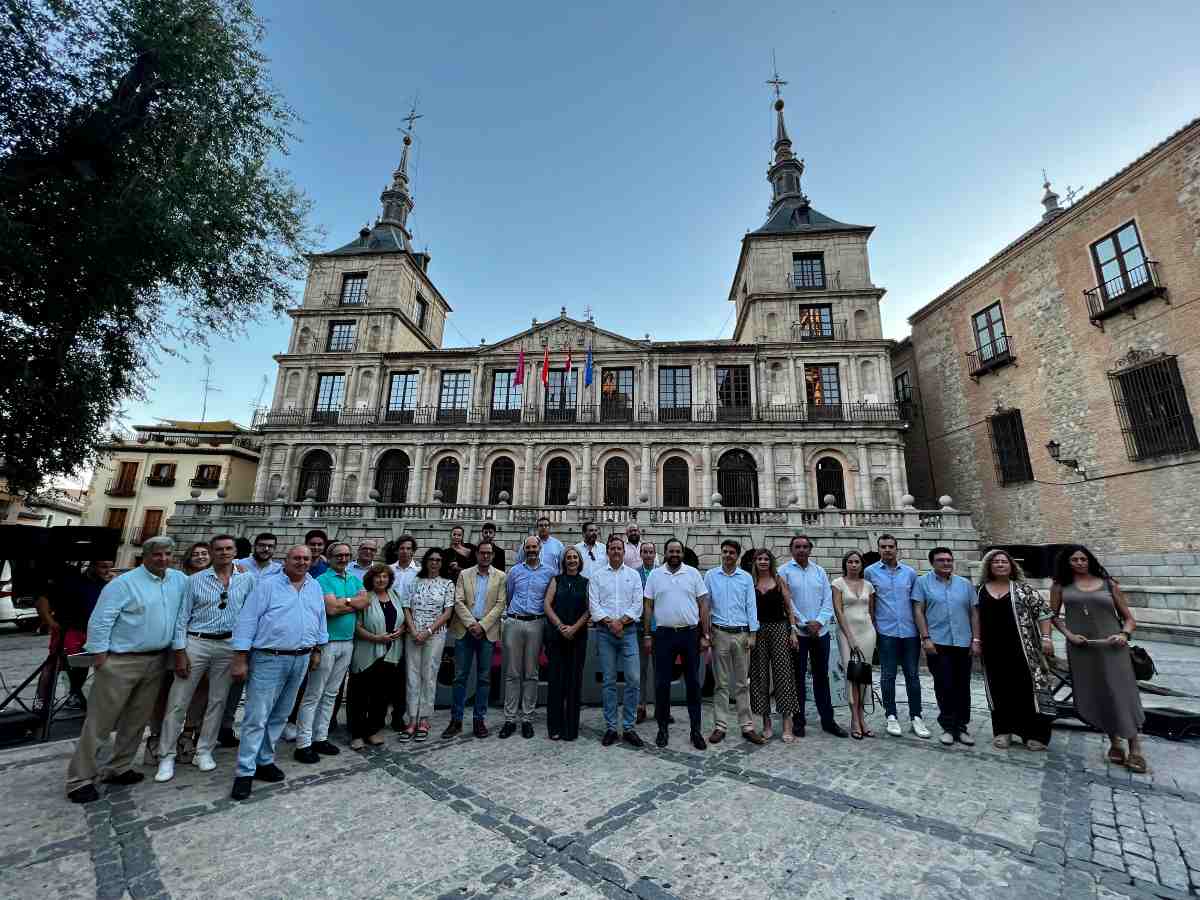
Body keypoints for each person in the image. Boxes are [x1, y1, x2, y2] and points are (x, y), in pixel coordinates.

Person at [65, 536, 188, 804]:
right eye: (157, 554)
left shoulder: (178, 580)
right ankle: (79, 779)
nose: (163, 559)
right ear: (145, 556)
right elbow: (101, 620)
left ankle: (119, 767)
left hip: (156, 660)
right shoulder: (123, 583)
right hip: (121, 660)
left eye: (167, 554)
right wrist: (100, 657)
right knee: (100, 721)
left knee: (136, 720)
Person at [229, 545, 327, 801]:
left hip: (302, 657)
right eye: (297, 558)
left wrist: (317, 648)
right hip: (268, 658)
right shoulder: (267, 585)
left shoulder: (314, 586)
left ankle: (264, 760)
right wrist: (240, 657)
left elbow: (320, 618)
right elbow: (248, 620)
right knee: (256, 716)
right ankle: (244, 772)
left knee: (281, 714)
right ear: (286, 560)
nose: (302, 562)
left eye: (306, 559)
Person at [155, 534, 254, 782]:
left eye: (228, 548)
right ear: (211, 552)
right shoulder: (195, 580)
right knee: (178, 701)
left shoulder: (247, 579)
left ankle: (204, 750)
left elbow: (250, 615)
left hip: (229, 645)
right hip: (196, 642)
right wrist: (180, 652)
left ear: (235, 552)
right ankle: (166, 755)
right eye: (219, 549)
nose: (224, 553)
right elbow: (182, 618)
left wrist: (244, 651)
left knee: (217, 701)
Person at [1050, 546, 1147, 772]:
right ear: (1068, 562)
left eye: (1084, 558)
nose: (1080, 562)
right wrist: (1069, 635)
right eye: (1075, 559)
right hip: (1081, 648)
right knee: (1099, 692)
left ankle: (1135, 746)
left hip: (1114, 647)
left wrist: (1124, 634)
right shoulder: (1059, 586)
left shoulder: (1108, 583)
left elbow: (1130, 619)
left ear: (1090, 560)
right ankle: (1114, 742)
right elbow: (1052, 615)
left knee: (1122, 692)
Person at [295, 541, 369, 763]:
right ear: (330, 557)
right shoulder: (321, 580)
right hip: (326, 642)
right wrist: (351, 603)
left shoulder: (355, 578)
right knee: (314, 694)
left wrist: (343, 602)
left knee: (331, 694)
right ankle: (303, 743)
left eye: (347, 555)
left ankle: (321, 737)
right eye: (339, 555)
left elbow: (365, 601)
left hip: (347, 643)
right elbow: (330, 609)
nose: (344, 559)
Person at [976, 549, 1055, 752]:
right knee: (998, 689)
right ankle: (1003, 730)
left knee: (1026, 689)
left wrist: (1046, 638)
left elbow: (1044, 613)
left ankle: (1034, 733)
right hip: (993, 649)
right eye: (996, 562)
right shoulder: (980, 590)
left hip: (1024, 648)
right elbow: (975, 617)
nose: (1000, 565)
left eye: (1004, 562)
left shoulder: (1023, 590)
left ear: (1011, 566)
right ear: (989, 567)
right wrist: (976, 640)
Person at [643, 538, 709, 750]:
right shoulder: (655, 575)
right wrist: (647, 634)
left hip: (690, 634)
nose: (674, 554)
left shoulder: (693, 574)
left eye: (678, 551)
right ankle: (662, 729)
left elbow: (703, 605)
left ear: (682, 554)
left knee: (693, 684)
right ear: (665, 553)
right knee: (661, 684)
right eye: (671, 551)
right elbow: (648, 606)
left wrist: (705, 634)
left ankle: (695, 730)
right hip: (663, 635)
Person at [778, 536, 847, 738]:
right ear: (791, 549)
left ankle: (828, 720)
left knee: (821, 677)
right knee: (797, 678)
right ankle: (799, 721)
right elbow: (786, 601)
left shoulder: (819, 571)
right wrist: (803, 623)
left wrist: (819, 621)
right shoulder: (784, 571)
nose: (801, 550)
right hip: (798, 633)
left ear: (810, 549)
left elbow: (827, 599)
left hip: (821, 631)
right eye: (797, 547)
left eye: (805, 547)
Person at [865, 535, 930, 739]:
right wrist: (874, 627)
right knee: (888, 676)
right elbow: (870, 603)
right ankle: (891, 715)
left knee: (912, 676)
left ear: (897, 549)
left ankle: (916, 716)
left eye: (890, 547)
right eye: (883, 547)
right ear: (879, 549)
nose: (887, 550)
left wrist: (923, 632)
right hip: (886, 632)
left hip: (910, 632)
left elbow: (916, 604)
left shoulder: (910, 573)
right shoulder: (870, 572)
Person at [912, 547, 978, 746]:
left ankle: (962, 727)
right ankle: (948, 726)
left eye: (949, 560)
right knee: (943, 685)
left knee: (962, 686)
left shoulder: (965, 584)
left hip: (962, 642)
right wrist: (926, 638)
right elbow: (918, 611)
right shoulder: (922, 582)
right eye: (941, 560)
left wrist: (976, 640)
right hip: (938, 642)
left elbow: (974, 613)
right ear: (932, 562)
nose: (946, 563)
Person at [444, 541, 507, 739]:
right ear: (477, 554)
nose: (485, 556)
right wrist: (472, 624)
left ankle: (479, 720)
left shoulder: (501, 577)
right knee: (460, 677)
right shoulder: (464, 574)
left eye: (489, 553)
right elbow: (458, 600)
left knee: (484, 678)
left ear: (492, 556)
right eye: (482, 553)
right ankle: (456, 720)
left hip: (486, 632)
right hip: (465, 630)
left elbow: (500, 604)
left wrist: (483, 625)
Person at [705, 539, 764, 745]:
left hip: (741, 634)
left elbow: (751, 606)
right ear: (721, 553)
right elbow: (706, 606)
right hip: (719, 633)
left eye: (731, 552)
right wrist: (707, 633)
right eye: (725, 552)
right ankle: (720, 726)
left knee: (741, 683)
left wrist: (753, 634)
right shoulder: (711, 576)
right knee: (720, 684)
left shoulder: (746, 578)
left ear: (737, 556)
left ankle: (747, 726)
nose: (728, 555)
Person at [224, 531, 280, 745]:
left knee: (261, 687)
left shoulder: (278, 570)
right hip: (237, 633)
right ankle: (225, 726)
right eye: (262, 545)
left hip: (265, 636)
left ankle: (257, 728)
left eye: (270, 546)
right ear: (255, 546)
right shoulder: (237, 565)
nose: (266, 549)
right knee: (231, 686)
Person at [589, 535, 644, 747]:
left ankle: (629, 727)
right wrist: (611, 624)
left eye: (619, 548)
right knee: (609, 681)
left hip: (628, 632)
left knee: (633, 679)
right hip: (605, 633)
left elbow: (637, 604)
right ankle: (611, 727)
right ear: (607, 551)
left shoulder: (633, 575)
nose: (615, 551)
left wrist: (620, 623)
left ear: (624, 551)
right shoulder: (597, 576)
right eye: (612, 548)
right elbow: (594, 605)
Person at [36, 560, 112, 710]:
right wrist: (50, 622)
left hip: (89, 632)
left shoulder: (105, 585)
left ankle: (74, 694)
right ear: (92, 566)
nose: (107, 571)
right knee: (55, 664)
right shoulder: (73, 581)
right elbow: (42, 600)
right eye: (103, 567)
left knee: (81, 666)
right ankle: (41, 700)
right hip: (69, 630)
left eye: (109, 567)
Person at [501, 536, 555, 738]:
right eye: (528, 547)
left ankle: (527, 718)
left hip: (536, 623)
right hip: (515, 621)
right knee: (513, 673)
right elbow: (509, 595)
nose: (532, 550)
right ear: (524, 549)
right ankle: (509, 718)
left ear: (540, 548)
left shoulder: (549, 572)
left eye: (535, 547)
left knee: (532, 673)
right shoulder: (515, 571)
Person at [399, 548, 455, 741]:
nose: (434, 563)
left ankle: (424, 718)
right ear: (426, 561)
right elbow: (406, 606)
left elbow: (447, 612)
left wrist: (428, 631)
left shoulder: (447, 584)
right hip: (413, 634)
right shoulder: (414, 581)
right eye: (431, 559)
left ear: (442, 563)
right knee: (412, 676)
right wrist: (414, 631)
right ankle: (411, 718)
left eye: (438, 560)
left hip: (435, 635)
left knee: (429, 675)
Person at [348, 564, 404, 750]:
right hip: (367, 652)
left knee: (381, 695)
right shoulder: (364, 597)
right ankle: (356, 734)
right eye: (377, 576)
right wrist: (376, 638)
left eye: (385, 576)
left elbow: (403, 619)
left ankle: (373, 730)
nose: (381, 580)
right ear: (371, 579)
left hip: (390, 653)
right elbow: (356, 626)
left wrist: (400, 630)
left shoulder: (395, 595)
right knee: (360, 695)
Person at [749, 548, 799, 741]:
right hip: (758, 630)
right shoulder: (751, 583)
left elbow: (788, 607)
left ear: (771, 562)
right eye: (759, 559)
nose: (763, 562)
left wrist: (793, 630)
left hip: (779, 628)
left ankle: (787, 723)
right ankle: (766, 722)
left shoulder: (779, 581)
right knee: (759, 675)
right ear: (755, 562)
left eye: (766, 559)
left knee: (783, 674)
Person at [544, 546, 591, 741]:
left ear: (580, 561)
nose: (572, 560)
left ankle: (571, 728)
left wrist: (574, 628)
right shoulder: (556, 580)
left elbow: (590, 609)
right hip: (557, 636)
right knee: (556, 682)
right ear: (564, 562)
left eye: (575, 557)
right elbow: (547, 604)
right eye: (568, 557)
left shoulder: (586, 582)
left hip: (578, 637)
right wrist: (561, 626)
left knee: (573, 682)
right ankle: (555, 727)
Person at [832, 550, 876, 740]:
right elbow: (839, 611)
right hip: (846, 633)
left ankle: (862, 717)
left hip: (867, 633)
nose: (854, 565)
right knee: (851, 675)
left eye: (857, 561)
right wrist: (849, 637)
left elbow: (871, 612)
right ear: (845, 564)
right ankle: (854, 719)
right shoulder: (837, 584)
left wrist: (872, 633)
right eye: (850, 561)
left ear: (861, 564)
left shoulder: (869, 585)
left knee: (864, 676)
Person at [634, 541, 659, 725]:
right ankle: (641, 706)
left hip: (661, 628)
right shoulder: (635, 574)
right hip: (640, 629)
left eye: (651, 552)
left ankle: (660, 707)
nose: (648, 554)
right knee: (640, 670)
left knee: (660, 670)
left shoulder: (661, 572)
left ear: (655, 554)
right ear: (641, 554)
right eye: (645, 552)